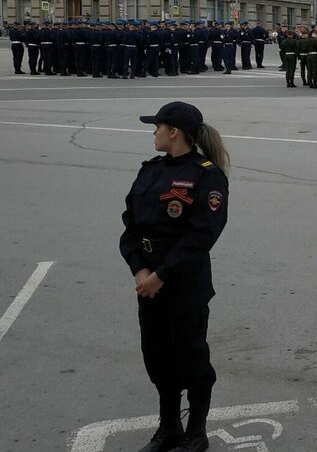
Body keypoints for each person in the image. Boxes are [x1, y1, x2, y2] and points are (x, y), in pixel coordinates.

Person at [120, 102, 229, 452]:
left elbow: (203, 234)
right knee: (157, 357)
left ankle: (196, 432)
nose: (153, 132)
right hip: (149, 284)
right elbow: (130, 227)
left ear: (174, 132)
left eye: (158, 126)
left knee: (191, 357)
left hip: (184, 284)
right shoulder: (150, 170)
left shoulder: (206, 175)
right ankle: (169, 428)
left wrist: (161, 275)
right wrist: (140, 268)